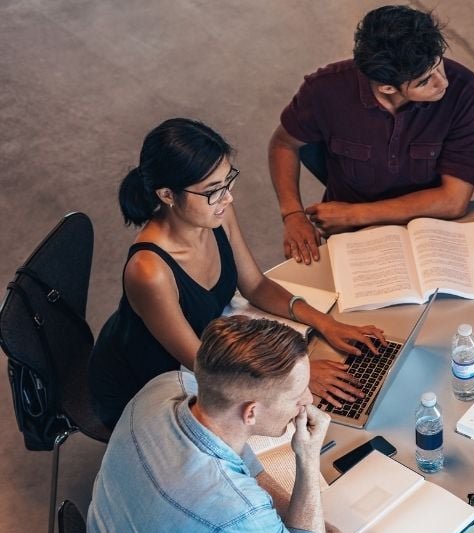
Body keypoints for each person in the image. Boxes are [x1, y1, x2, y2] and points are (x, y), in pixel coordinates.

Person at [89, 118, 384, 429]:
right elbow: (203, 364)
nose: (228, 197)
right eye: (213, 190)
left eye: (227, 181)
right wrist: (297, 374)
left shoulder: (217, 214)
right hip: (149, 382)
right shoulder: (149, 272)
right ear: (167, 195)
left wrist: (325, 322)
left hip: (211, 346)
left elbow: (255, 285)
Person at [88, 316, 343, 533]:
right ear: (251, 413)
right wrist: (307, 459)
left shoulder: (165, 386)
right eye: (297, 395)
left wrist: (301, 518)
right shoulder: (234, 512)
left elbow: (242, 461)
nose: (307, 400)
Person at [270, 4, 474, 263]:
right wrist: (293, 214)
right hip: (353, 239)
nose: (443, 81)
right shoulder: (323, 91)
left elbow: (453, 200)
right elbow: (284, 144)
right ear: (386, 88)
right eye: (424, 81)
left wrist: (355, 215)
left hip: (430, 231)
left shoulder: (464, 92)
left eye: (439, 64)